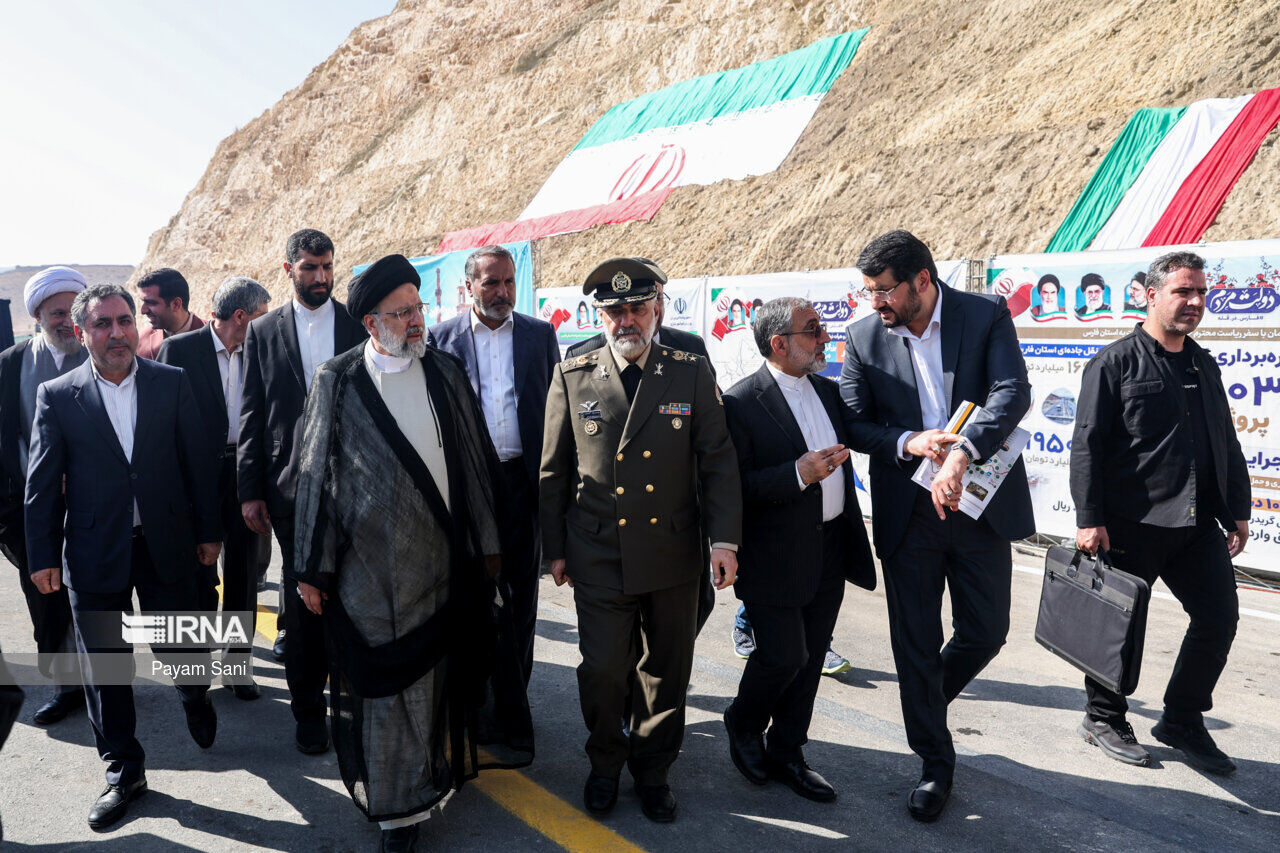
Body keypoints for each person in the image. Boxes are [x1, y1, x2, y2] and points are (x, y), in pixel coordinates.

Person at [292, 254, 532, 852]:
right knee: (388, 692)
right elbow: (315, 477)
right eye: (403, 313)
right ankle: (398, 813)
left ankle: (434, 772)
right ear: (372, 323)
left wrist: (488, 549)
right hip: (373, 573)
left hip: (445, 564)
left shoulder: (444, 372)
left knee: (441, 682)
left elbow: (476, 466)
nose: (417, 321)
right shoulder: (338, 381)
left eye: (419, 308)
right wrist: (312, 569)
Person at [840, 230, 1034, 822]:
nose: (874, 302)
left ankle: (922, 702)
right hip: (909, 512)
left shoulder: (983, 315)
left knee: (987, 629)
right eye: (868, 290)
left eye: (883, 290)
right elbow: (853, 422)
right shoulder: (862, 336)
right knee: (915, 642)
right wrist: (909, 441)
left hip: (976, 503)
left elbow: (1011, 391)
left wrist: (960, 453)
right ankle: (934, 760)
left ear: (921, 280)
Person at [541, 257, 742, 823]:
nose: (626, 319)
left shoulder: (689, 370)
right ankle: (605, 762)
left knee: (667, 670)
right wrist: (554, 548)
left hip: (673, 550)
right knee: (604, 669)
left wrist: (724, 541)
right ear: (599, 315)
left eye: (636, 307)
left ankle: (653, 769)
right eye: (614, 311)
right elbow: (553, 471)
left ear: (657, 307)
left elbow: (718, 463)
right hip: (599, 549)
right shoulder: (572, 373)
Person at [25, 284, 222, 828]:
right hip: (93, 550)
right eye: (103, 324)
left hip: (168, 542)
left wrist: (210, 531)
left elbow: (198, 463)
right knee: (106, 668)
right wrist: (42, 554)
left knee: (181, 641)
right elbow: (41, 485)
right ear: (82, 333)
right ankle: (124, 771)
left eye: (124, 321)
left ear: (136, 325)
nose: (117, 333)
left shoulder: (170, 383)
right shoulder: (58, 396)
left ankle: (194, 692)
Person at [1070, 251, 1249, 775]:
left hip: (1195, 524)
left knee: (1219, 618)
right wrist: (1089, 517)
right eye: (1182, 292)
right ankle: (1103, 717)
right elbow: (1087, 446)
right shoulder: (1114, 362)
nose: (1194, 302)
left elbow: (1224, 439)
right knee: (1117, 627)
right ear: (1151, 295)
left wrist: (1236, 508)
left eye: (1200, 292)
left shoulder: (1204, 363)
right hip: (1130, 521)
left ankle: (1182, 719)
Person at [721, 297, 876, 802]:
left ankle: (788, 748)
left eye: (822, 328)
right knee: (783, 655)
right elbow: (734, 486)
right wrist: (797, 474)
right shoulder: (741, 402)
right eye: (812, 330)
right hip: (773, 555)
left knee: (809, 662)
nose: (823, 339)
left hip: (829, 546)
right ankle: (743, 723)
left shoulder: (828, 392)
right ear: (779, 344)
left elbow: (869, 433)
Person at [237, 228, 367, 754]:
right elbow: (250, 413)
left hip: (354, 485)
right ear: (289, 268)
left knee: (351, 602)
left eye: (328, 267)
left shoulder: (356, 325)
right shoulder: (263, 331)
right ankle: (309, 712)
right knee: (303, 602)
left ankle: (354, 703)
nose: (321, 277)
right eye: (311, 268)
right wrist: (250, 490)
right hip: (291, 491)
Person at [426, 245, 559, 686]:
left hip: (523, 484)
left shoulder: (540, 336)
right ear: (469, 287)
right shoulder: (440, 340)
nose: (503, 292)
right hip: (468, 487)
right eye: (491, 283)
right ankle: (473, 700)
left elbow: (557, 415)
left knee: (522, 599)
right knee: (471, 597)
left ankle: (514, 701)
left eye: (508, 282)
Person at [157, 276, 271, 701]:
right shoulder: (180, 350)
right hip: (197, 479)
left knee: (243, 573)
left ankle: (238, 666)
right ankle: (198, 665)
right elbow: (164, 420)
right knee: (200, 573)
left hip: (246, 473)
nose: (266, 324)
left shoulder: (261, 349)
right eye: (260, 317)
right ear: (240, 316)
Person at [0, 267, 89, 725]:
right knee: (45, 599)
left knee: (97, 595)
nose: (68, 321)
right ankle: (65, 686)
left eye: (76, 311)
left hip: (95, 505)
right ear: (37, 314)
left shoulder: (101, 356)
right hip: (32, 509)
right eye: (58, 312)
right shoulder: (10, 364)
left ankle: (105, 683)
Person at [135, 268, 205, 359]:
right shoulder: (141, 341)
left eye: (151, 303)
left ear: (176, 304)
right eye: (143, 302)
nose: (143, 311)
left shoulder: (213, 337)